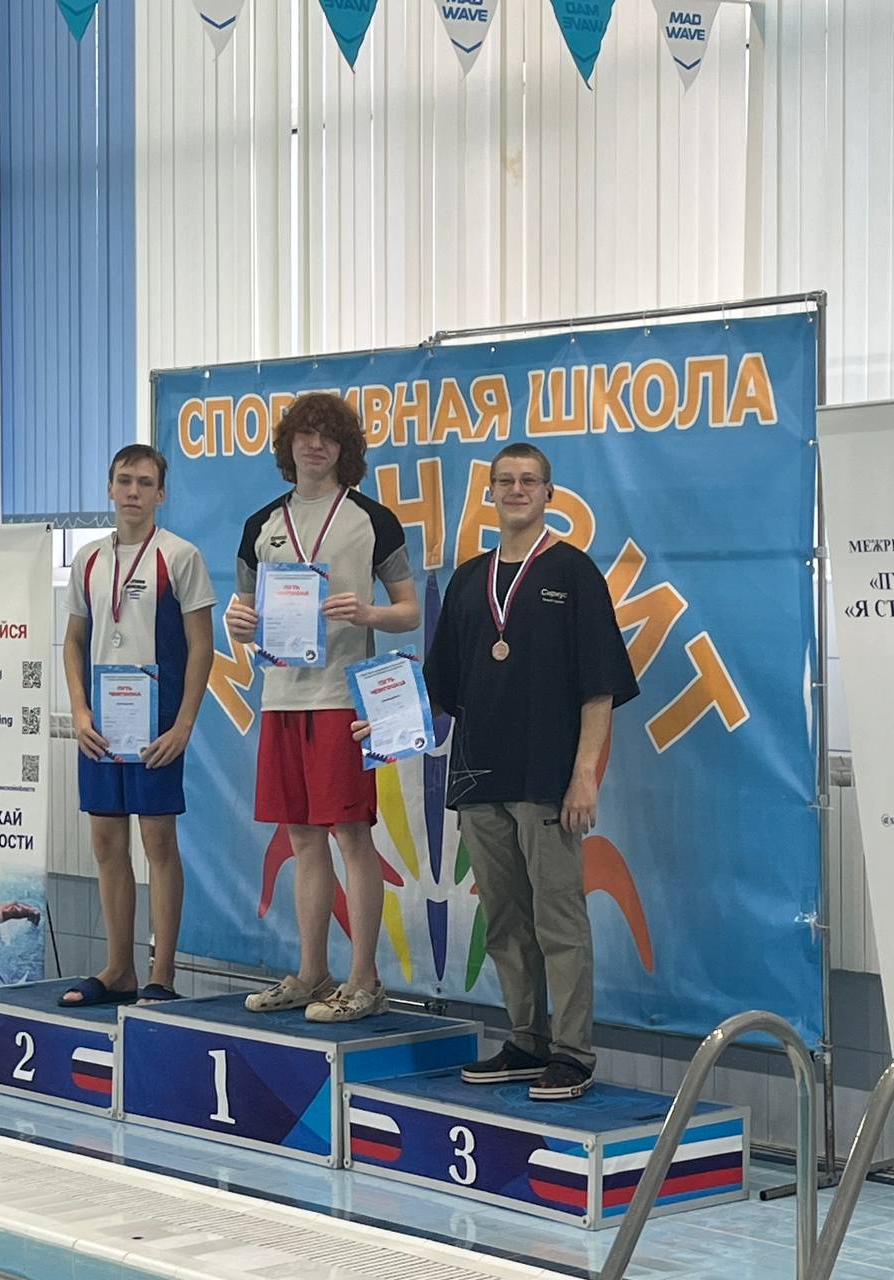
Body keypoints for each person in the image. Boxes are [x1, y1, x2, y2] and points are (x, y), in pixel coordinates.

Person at [422, 442, 639, 1100]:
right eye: (505, 481)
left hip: (547, 778)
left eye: (529, 480)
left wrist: (584, 776)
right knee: (506, 920)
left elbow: (598, 690)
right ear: (489, 493)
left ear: (549, 493)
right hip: (478, 778)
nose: (516, 490)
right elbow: (441, 687)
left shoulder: (573, 573)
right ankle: (525, 1039)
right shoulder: (468, 579)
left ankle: (572, 1051)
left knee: (558, 920)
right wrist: (390, 721)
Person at [226, 391, 419, 1022]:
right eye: (304, 434)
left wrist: (367, 613)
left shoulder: (372, 519)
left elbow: (410, 611)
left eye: (328, 436)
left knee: (352, 837)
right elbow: (245, 614)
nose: (315, 445)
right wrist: (238, 624)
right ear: (288, 445)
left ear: (345, 449)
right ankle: (312, 973)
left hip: (343, 699)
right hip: (282, 700)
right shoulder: (261, 525)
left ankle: (365, 980)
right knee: (303, 838)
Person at [60, 444, 215, 1007]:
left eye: (145, 483)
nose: (133, 491)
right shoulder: (88, 559)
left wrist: (184, 725)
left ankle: (162, 975)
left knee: (158, 842)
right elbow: (74, 641)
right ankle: (119, 968)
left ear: (161, 494)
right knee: (106, 842)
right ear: (109, 488)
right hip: (102, 726)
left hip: (156, 726)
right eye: (124, 480)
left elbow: (202, 647)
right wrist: (79, 710)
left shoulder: (180, 556)